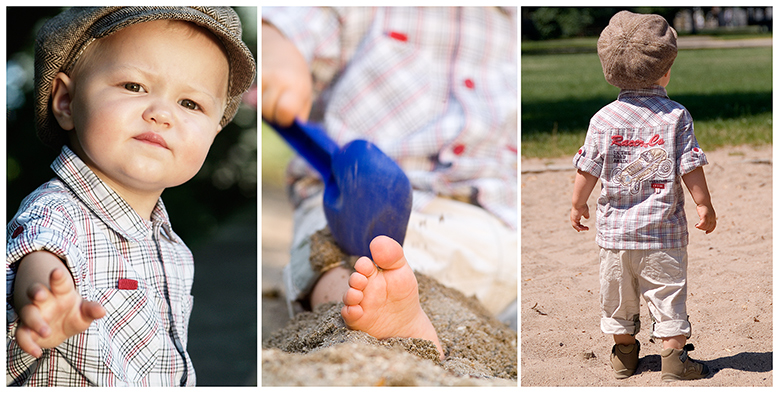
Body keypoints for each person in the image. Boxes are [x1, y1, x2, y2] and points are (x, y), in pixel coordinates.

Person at [5, 7, 255, 386]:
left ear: (213, 135)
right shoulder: (59, 210)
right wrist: (41, 302)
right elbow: (41, 255)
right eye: (133, 86)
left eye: (190, 104)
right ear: (67, 102)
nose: (161, 113)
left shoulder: (171, 247)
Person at [262, 7, 518, 360]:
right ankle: (384, 321)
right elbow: (289, 26)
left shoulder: (511, 23)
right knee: (334, 262)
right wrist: (280, 60)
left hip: (494, 224)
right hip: (356, 207)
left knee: (516, 303)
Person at [569, 11, 716, 381]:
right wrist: (703, 203)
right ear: (665, 70)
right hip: (662, 236)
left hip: (615, 237)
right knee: (667, 297)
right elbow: (689, 166)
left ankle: (624, 356)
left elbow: (588, 169)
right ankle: (673, 361)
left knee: (617, 301)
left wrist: (577, 203)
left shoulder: (602, 119)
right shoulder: (675, 116)